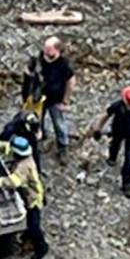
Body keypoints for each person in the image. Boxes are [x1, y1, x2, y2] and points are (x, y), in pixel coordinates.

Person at [92, 86, 130, 198]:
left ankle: (126, 183)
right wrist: (98, 128)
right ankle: (112, 159)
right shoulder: (120, 106)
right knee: (115, 145)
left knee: (129, 158)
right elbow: (106, 115)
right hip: (118, 131)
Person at [0, 135, 49, 259]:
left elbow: (12, 183)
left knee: (34, 225)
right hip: (27, 194)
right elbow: (5, 147)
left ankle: (41, 247)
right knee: (30, 221)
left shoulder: (25, 166)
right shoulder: (22, 154)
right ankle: (27, 236)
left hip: (33, 197)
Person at [23, 36, 75, 164]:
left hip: (55, 99)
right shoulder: (39, 59)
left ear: (58, 50)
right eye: (45, 50)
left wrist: (65, 100)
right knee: (36, 120)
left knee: (59, 123)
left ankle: (63, 147)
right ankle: (40, 139)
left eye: (49, 51)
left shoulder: (64, 64)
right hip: (39, 98)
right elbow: (27, 71)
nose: (45, 53)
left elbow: (71, 81)